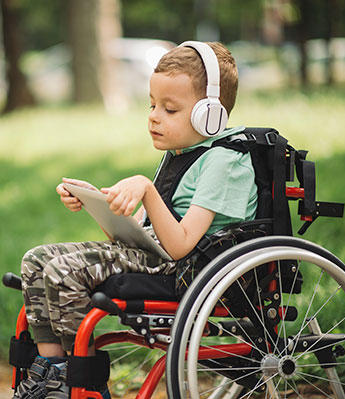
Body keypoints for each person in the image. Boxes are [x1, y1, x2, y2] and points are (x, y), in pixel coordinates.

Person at [13, 41, 258, 399]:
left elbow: (178, 247)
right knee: (36, 261)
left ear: (210, 114)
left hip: (190, 270)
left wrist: (145, 188)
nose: (154, 116)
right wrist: (102, 204)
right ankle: (54, 376)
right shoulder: (182, 155)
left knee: (63, 272)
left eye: (170, 109)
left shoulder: (226, 162)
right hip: (157, 259)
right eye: (152, 104)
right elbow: (134, 240)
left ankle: (84, 386)